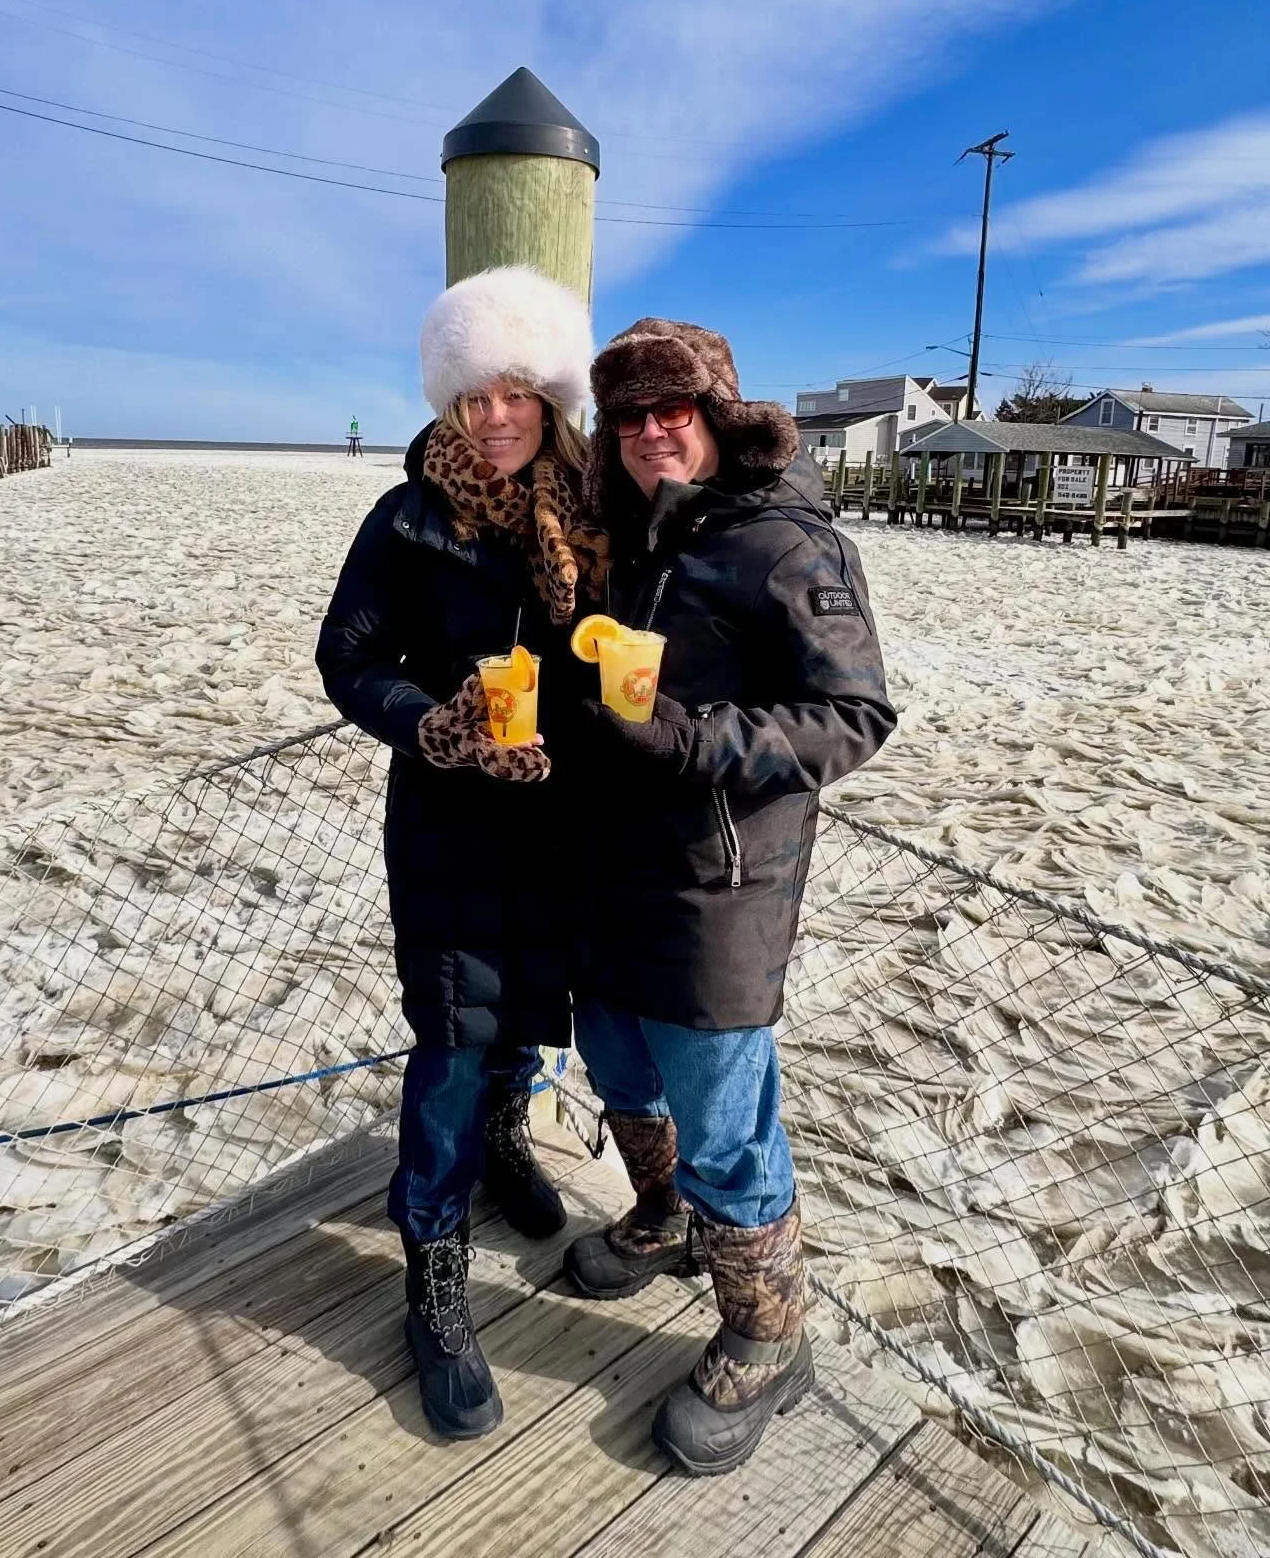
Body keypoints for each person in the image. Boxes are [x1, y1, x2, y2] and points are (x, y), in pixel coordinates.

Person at [563, 317, 895, 1476]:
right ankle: (665, 1221)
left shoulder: (786, 543)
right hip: (612, 867)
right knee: (617, 1061)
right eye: (630, 417)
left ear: (718, 419)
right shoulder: (639, 535)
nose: (652, 432)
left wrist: (692, 738)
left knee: (724, 1119)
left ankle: (769, 1333)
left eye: (673, 412)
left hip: (721, 879)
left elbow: (856, 717)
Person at [316, 265, 606, 1441]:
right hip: (444, 820)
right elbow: (346, 656)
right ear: (445, 404)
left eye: (516, 394)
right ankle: (433, 1277)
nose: (494, 418)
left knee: (528, 1015)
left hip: (556, 821)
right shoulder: (406, 519)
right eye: (472, 397)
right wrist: (428, 724)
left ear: (548, 401)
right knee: (447, 1041)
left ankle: (505, 1144)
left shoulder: (592, 513)